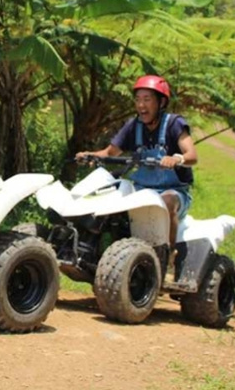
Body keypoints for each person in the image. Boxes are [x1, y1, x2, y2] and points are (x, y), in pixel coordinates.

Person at [75, 75, 197, 258]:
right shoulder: (133, 126)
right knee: (109, 198)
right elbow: (110, 153)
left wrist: (177, 159)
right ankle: (95, 251)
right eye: (138, 100)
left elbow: (192, 156)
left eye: (147, 99)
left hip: (173, 191)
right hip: (140, 190)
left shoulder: (174, 124)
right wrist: (90, 155)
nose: (141, 105)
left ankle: (168, 256)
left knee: (167, 201)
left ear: (161, 102)